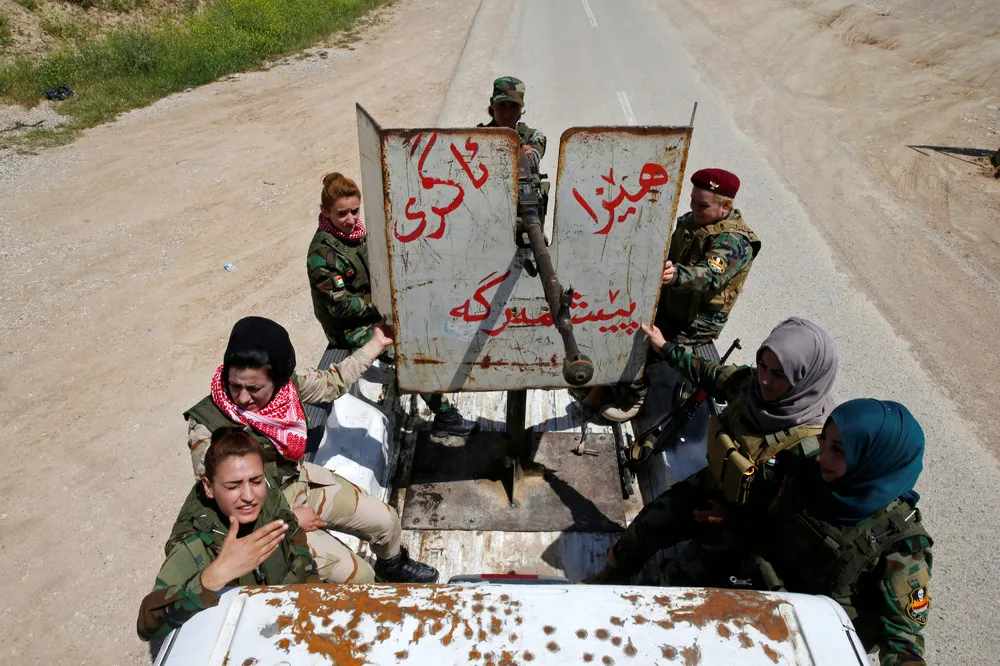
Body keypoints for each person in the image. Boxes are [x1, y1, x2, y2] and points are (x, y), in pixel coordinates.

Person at [661, 399, 933, 666]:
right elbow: (770, 508)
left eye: (838, 450)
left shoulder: (897, 543)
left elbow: (902, 639)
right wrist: (731, 515)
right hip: (757, 582)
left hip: (806, 639)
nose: (822, 455)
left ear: (873, 461)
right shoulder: (810, 471)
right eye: (824, 439)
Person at [185, 316, 438, 584]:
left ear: (278, 380)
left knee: (387, 521)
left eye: (254, 388)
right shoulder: (208, 427)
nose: (243, 398)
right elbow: (224, 502)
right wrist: (288, 521)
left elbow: (333, 381)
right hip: (262, 516)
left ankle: (393, 566)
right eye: (234, 386)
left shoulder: (288, 387)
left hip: (297, 480)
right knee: (360, 577)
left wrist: (376, 343)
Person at [592, 317, 838, 583]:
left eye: (778, 375)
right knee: (646, 526)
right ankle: (607, 582)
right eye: (762, 366)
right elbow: (707, 372)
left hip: (746, 528)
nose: (764, 380)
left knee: (678, 581)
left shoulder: (813, 448)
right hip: (715, 485)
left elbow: (788, 527)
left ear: (805, 378)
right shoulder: (748, 385)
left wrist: (731, 518)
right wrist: (663, 346)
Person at [579, 168, 761, 422]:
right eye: (693, 202)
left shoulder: (733, 242)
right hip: (673, 298)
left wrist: (675, 275)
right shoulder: (694, 221)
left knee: (645, 344)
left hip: (698, 319)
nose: (695, 209)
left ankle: (635, 396)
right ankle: (602, 384)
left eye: (703, 205)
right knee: (617, 317)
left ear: (725, 206)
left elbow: (709, 276)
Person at [307, 172, 475, 438]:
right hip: (348, 328)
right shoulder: (323, 254)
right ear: (325, 212)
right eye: (342, 214)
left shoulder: (355, 235)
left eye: (354, 211)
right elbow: (339, 306)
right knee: (406, 352)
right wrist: (383, 304)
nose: (351, 220)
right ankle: (445, 415)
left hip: (373, 312)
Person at [138, 428, 318, 641]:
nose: (249, 496)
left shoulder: (267, 491)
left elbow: (294, 535)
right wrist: (213, 577)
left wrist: (310, 593)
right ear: (209, 487)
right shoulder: (196, 544)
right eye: (233, 486)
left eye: (256, 481)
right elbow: (146, 624)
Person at [477, 76, 546, 172]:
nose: (507, 113)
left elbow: (535, 154)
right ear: (492, 104)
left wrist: (528, 156)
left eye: (514, 106)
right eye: (502, 105)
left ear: (521, 108)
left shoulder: (532, 136)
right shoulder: (476, 137)